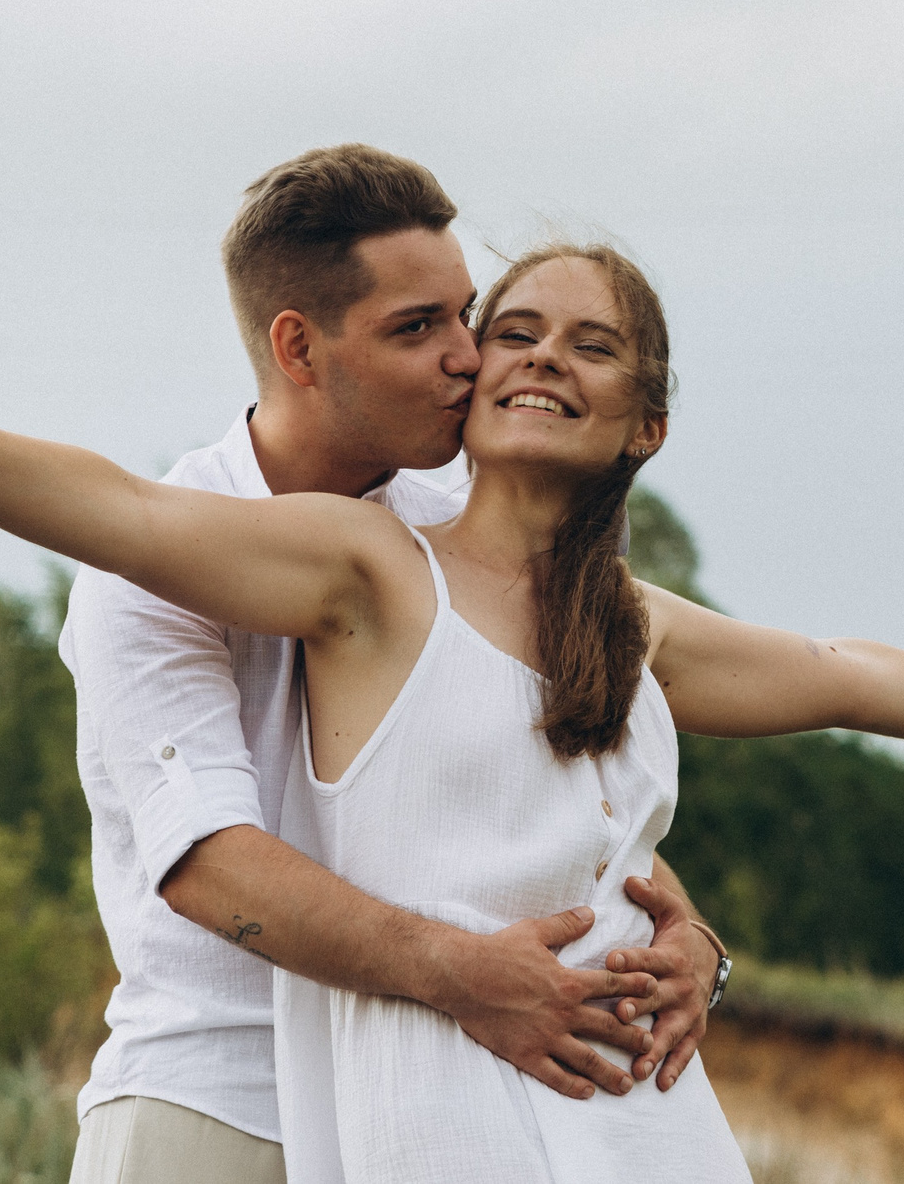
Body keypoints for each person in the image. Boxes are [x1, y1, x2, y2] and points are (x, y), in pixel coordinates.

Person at [0, 232, 904, 1182]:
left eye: (578, 343)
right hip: (271, 1084)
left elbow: (832, 668)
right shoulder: (360, 560)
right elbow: (120, 525)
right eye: (500, 330)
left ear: (643, 417)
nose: (514, 355)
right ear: (308, 346)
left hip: (597, 1100)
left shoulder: (620, 615)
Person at [38, 147, 727, 1184]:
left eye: (465, 316)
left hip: (423, 1115)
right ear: (300, 349)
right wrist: (465, 977)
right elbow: (208, 868)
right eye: (419, 328)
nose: (469, 358)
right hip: (219, 1111)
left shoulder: (460, 534)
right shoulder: (143, 571)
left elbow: (545, 804)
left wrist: (694, 946)